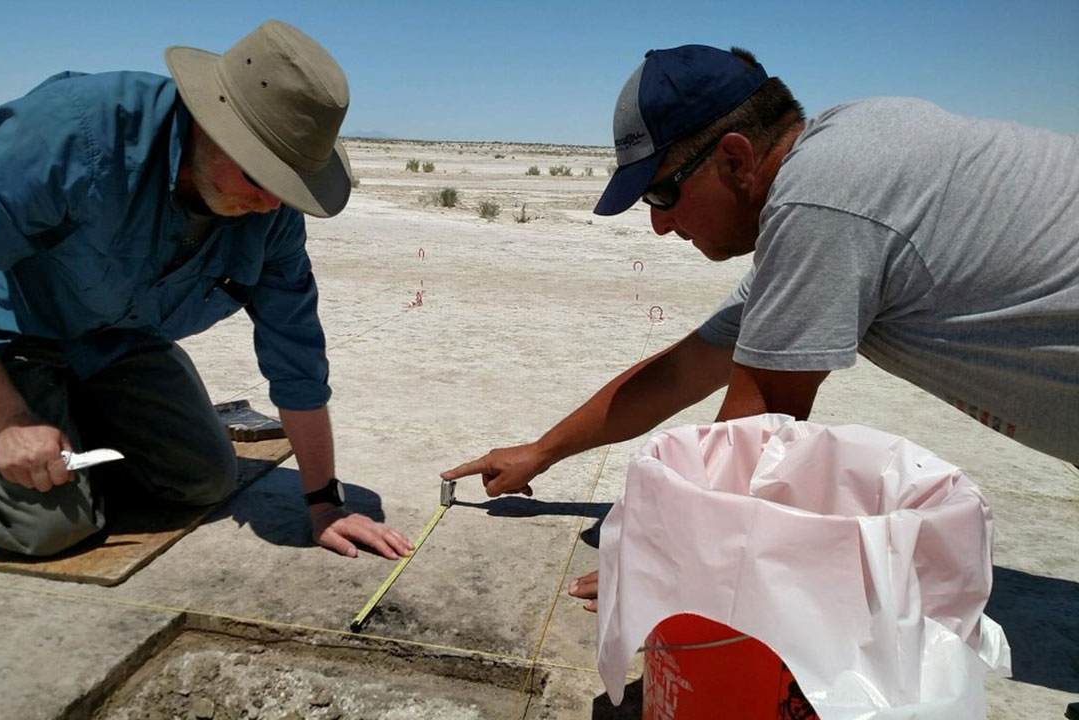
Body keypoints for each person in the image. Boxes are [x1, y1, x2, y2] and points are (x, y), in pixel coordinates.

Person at [442, 44, 1079, 608]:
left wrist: (671, 563)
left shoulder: (823, 200)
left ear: (736, 158)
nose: (659, 225)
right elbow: (685, 370)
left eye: (660, 195)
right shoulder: (837, 170)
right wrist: (542, 452)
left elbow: (758, 430)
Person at [0, 20, 414, 560]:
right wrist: (9, 421)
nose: (272, 204)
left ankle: (62, 413)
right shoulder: (71, 133)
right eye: (262, 176)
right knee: (47, 532)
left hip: (114, 341)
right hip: (8, 334)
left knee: (202, 482)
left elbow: (296, 355)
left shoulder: (270, 215)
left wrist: (323, 503)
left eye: (290, 185)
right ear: (211, 125)